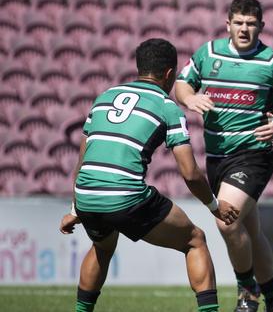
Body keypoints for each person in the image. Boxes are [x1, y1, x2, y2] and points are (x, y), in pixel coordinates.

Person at [59, 38, 240, 312]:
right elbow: (190, 173)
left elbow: (84, 159)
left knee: (102, 247)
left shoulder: (104, 97)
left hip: (87, 195)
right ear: (169, 74)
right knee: (195, 240)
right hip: (125, 197)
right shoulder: (167, 106)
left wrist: (76, 207)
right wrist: (215, 206)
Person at [175, 0, 273, 312]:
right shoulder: (208, 54)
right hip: (217, 157)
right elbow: (181, 84)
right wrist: (190, 98)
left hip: (254, 154)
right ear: (228, 24)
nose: (245, 29)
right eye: (239, 23)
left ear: (261, 26)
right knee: (250, 230)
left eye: (251, 24)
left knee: (226, 220)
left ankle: (248, 290)